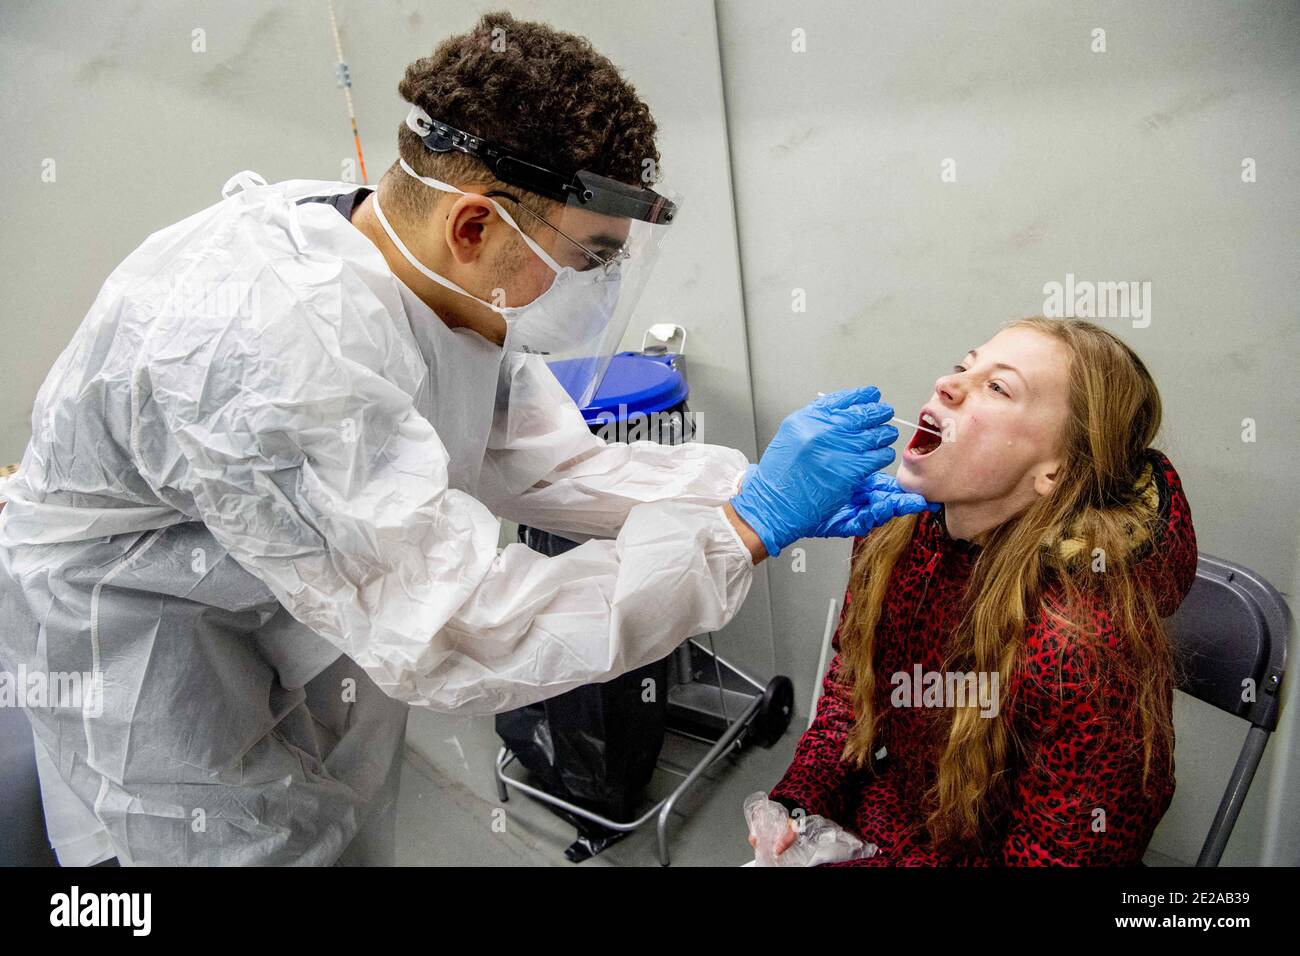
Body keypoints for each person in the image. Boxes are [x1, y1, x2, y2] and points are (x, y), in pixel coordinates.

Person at [0, 13, 932, 866]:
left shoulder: (428, 277)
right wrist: (739, 534)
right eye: (591, 261)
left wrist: (743, 490)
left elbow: (545, 459)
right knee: (245, 847)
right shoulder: (275, 346)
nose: (599, 290)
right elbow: (455, 626)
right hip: (153, 634)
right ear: (476, 222)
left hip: (291, 601)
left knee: (341, 826)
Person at [750, 318, 1198, 865]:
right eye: (965, 366)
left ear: (1054, 473)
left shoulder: (1083, 649)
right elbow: (854, 689)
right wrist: (801, 806)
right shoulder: (896, 532)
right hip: (889, 827)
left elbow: (1052, 857)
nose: (947, 383)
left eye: (998, 386)